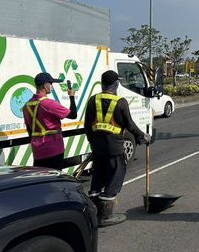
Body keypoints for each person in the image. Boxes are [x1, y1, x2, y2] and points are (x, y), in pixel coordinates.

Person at [85, 70, 151, 227]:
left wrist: (92, 143)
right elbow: (129, 124)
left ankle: (94, 213)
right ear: (115, 84)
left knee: (98, 178)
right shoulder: (120, 102)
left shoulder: (93, 100)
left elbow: (87, 126)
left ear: (102, 84)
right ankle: (106, 216)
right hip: (114, 148)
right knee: (115, 178)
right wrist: (143, 136)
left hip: (97, 147)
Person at [23, 72, 77, 170]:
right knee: (55, 179)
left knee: (42, 180)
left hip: (37, 151)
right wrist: (71, 96)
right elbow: (73, 115)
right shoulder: (49, 104)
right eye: (51, 84)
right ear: (45, 85)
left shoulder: (26, 106)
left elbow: (30, 131)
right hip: (54, 150)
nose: (52, 86)